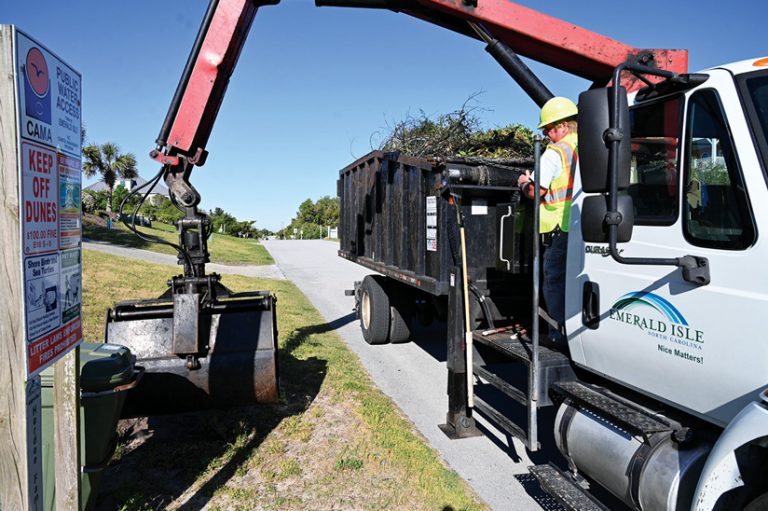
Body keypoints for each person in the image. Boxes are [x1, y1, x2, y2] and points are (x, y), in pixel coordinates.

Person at [517, 97, 578, 342]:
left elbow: (535, 191)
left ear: (561, 126)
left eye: (547, 130)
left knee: (554, 283)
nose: (546, 135)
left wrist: (523, 183)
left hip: (558, 227)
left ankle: (558, 336)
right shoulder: (590, 146)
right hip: (582, 226)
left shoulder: (556, 152)